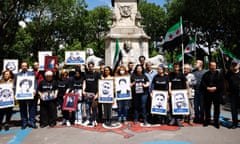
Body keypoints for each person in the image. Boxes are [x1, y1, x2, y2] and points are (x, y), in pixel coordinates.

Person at [201, 62, 224, 129]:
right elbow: (203, 82)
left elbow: (222, 83)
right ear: (209, 66)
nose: (213, 67)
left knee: (217, 108)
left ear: (216, 66)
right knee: (207, 108)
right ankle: (207, 121)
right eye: (212, 65)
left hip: (216, 93)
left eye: (214, 65)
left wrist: (216, 88)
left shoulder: (219, 74)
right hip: (207, 93)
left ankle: (216, 122)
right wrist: (207, 88)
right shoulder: (205, 74)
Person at [15, 62, 37, 129]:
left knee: (32, 108)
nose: (24, 67)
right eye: (23, 66)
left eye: (25, 66)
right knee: (22, 109)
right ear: (21, 67)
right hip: (21, 95)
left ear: (27, 67)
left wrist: (35, 89)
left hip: (30, 94)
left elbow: (35, 82)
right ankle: (24, 122)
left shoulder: (32, 73)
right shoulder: (17, 75)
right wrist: (15, 93)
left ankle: (32, 122)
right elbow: (15, 85)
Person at [168, 62, 189, 127]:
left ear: (179, 67)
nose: (176, 68)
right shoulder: (171, 74)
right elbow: (169, 82)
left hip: (180, 93)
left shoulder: (181, 74)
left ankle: (178, 120)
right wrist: (169, 90)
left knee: (179, 106)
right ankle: (173, 119)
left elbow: (186, 82)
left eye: (177, 67)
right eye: (175, 67)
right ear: (173, 67)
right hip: (173, 93)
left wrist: (187, 90)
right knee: (172, 106)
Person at [82, 62, 101, 127]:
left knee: (94, 108)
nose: (90, 67)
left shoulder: (97, 74)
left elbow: (99, 84)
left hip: (94, 93)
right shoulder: (85, 74)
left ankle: (94, 119)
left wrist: (97, 94)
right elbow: (84, 82)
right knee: (87, 108)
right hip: (87, 93)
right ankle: (88, 119)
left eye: (91, 66)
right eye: (89, 66)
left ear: (93, 66)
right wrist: (83, 91)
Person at [225, 60, 240, 129]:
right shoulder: (229, 73)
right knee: (234, 110)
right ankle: (235, 123)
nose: (234, 65)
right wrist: (226, 91)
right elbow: (226, 82)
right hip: (232, 94)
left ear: (239, 64)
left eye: (235, 64)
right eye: (233, 64)